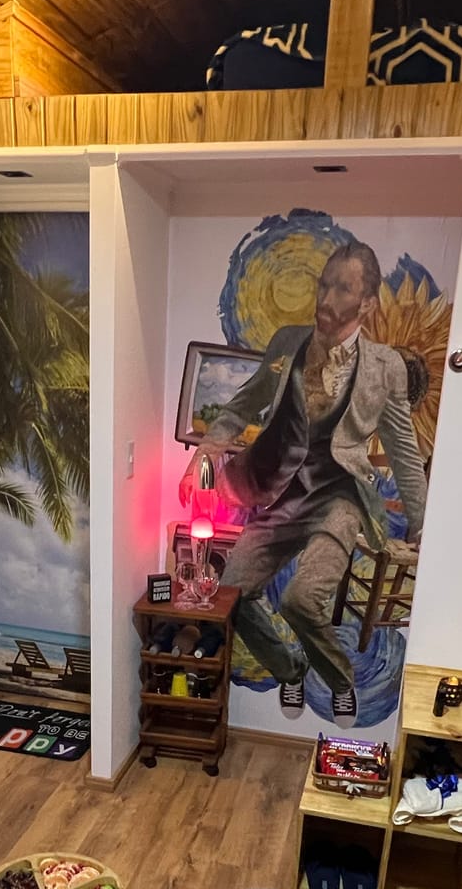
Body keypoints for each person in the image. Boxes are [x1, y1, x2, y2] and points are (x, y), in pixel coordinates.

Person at [180, 241, 427, 725]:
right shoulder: (286, 342)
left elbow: (403, 451)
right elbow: (243, 405)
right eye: (324, 284)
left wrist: (419, 525)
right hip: (278, 492)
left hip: (339, 499)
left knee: (300, 600)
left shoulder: (385, 367)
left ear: (367, 303)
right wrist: (207, 450)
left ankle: (340, 681)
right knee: (231, 595)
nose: (326, 299)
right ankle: (289, 670)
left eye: (343, 289)